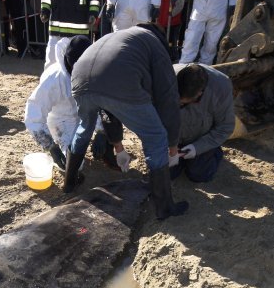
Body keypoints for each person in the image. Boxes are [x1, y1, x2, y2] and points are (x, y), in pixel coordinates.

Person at [67, 24, 189, 219]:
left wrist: (118, 147)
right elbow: (168, 100)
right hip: (117, 80)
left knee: (85, 127)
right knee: (156, 136)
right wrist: (173, 146)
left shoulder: (121, 38)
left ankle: (69, 183)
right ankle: (164, 207)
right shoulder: (155, 46)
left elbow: (107, 108)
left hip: (79, 77)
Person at [24, 35, 129, 171]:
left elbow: (104, 105)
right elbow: (34, 113)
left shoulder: (94, 69)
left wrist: (102, 132)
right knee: (73, 165)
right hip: (62, 120)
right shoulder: (54, 79)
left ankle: (107, 152)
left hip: (87, 113)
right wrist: (51, 147)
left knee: (108, 125)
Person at [169, 63, 234, 183]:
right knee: (166, 173)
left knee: (198, 174)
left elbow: (225, 127)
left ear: (200, 93)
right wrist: (167, 145)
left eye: (183, 104)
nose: (180, 106)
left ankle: (213, 153)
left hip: (201, 137)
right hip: (171, 139)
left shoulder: (221, 88)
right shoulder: (165, 79)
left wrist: (197, 148)